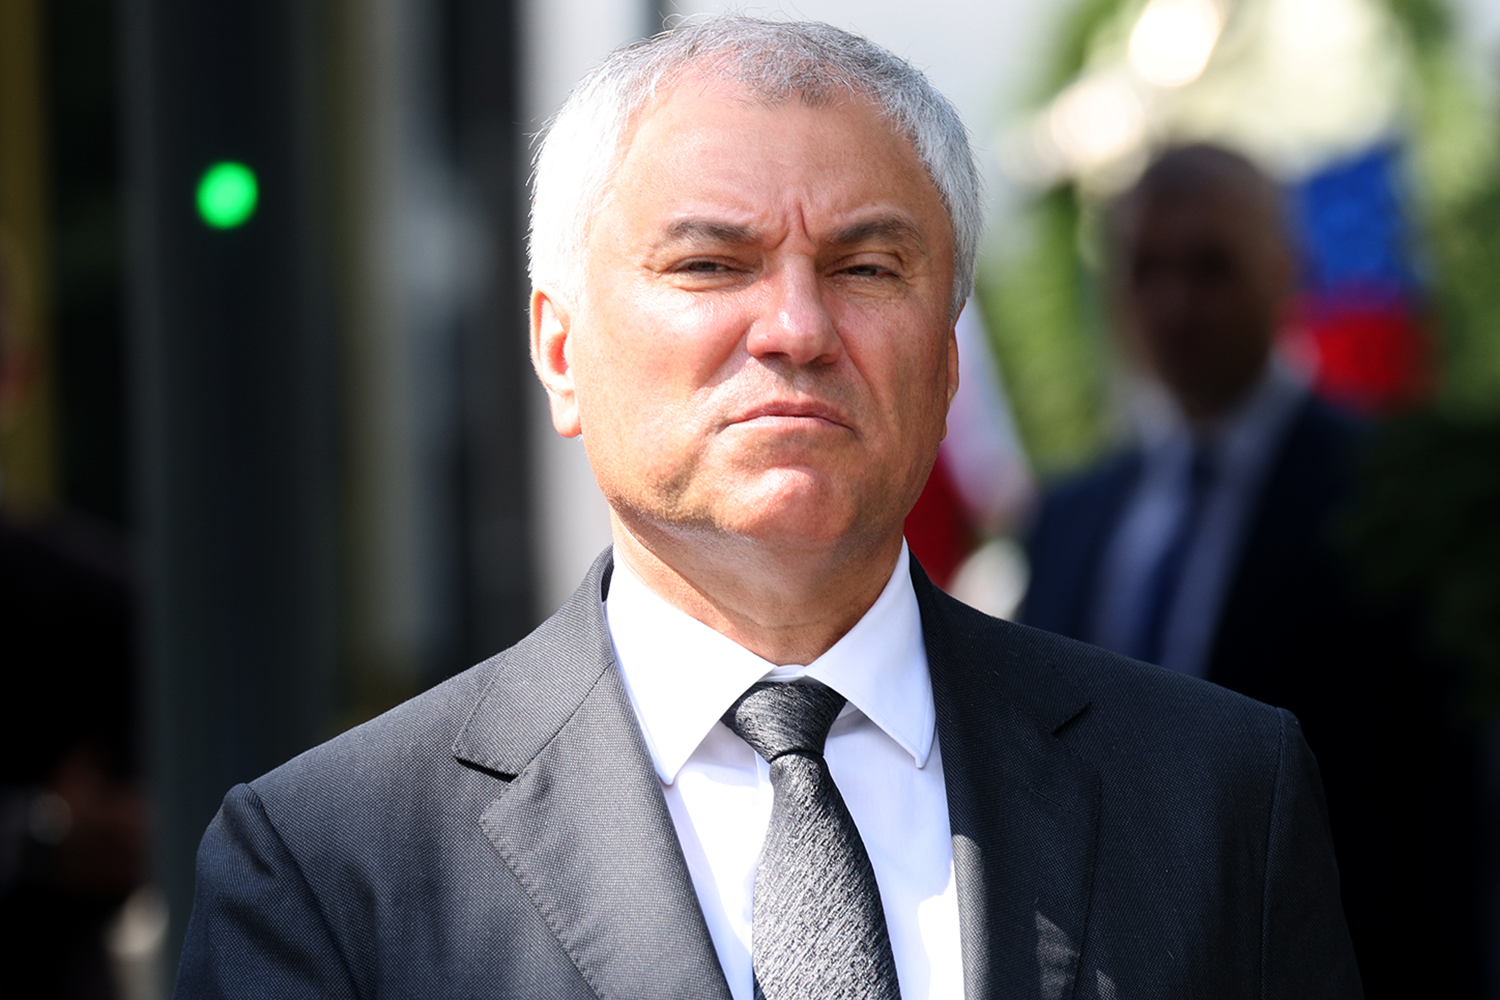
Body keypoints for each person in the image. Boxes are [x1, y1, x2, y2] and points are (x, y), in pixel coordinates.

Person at [176, 22, 1359, 999]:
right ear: (560, 348)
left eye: (866, 267)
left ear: (948, 362)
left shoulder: (1216, 796)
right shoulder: (330, 865)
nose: (796, 328)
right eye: (710, 264)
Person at [1022, 144, 1480, 995]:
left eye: (1210, 267)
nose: (1176, 303)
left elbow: (1446, 807)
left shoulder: (1388, 495)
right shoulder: (1069, 518)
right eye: (1147, 270)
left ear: (1284, 271)